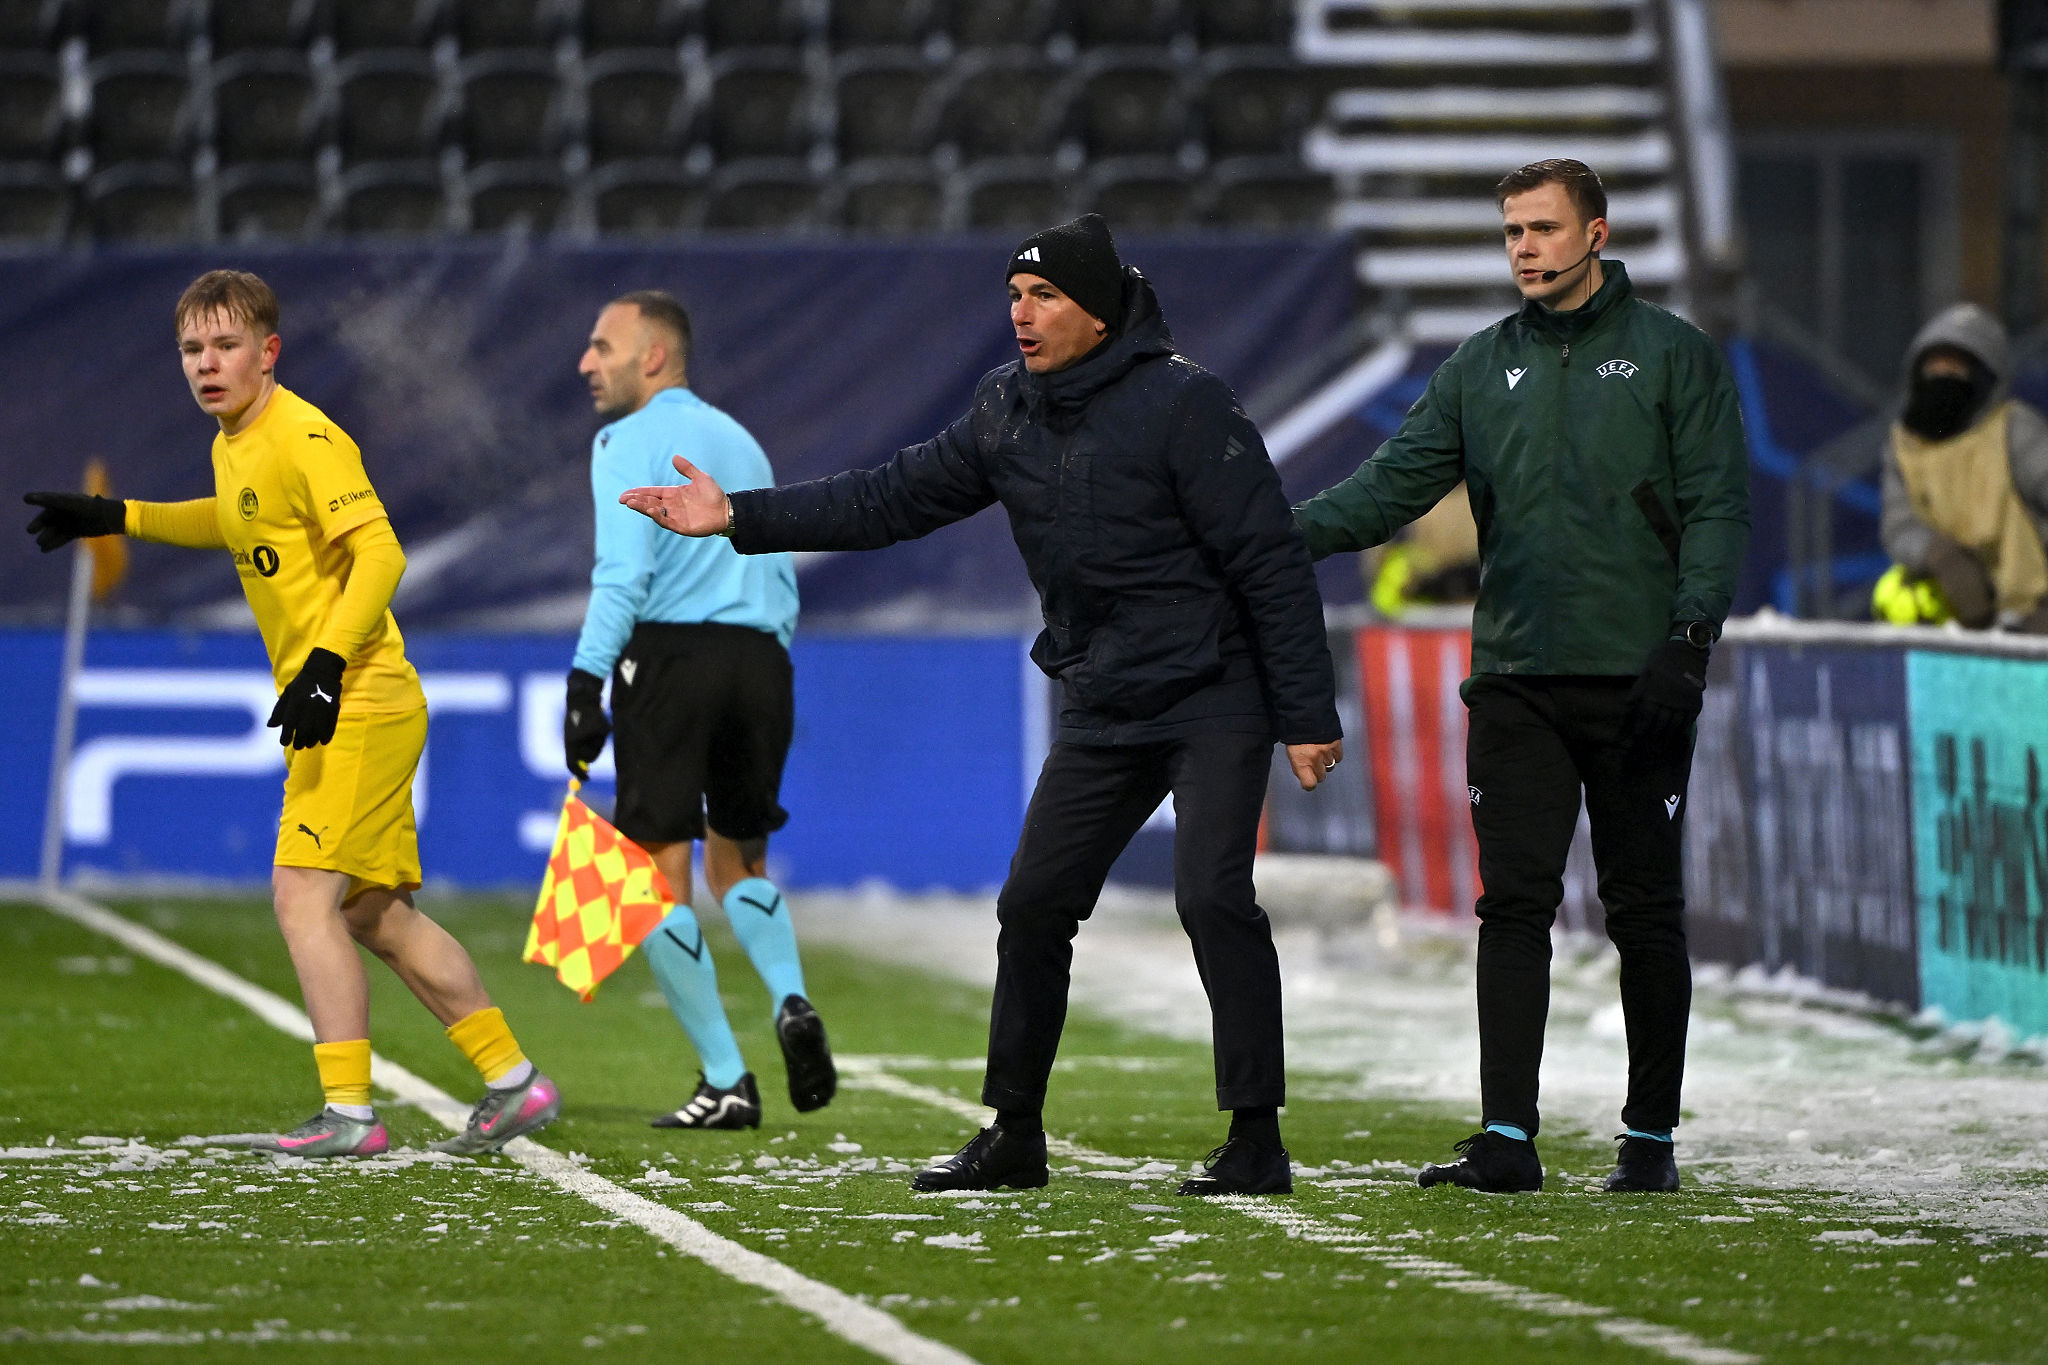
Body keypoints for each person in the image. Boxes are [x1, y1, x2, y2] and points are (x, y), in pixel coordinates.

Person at [617, 214, 1342, 1197]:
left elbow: (1269, 560)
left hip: (1214, 689)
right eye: (1013, 296)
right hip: (1103, 697)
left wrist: (1305, 712)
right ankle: (1013, 1134)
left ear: (1098, 312)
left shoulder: (1187, 402)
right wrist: (739, 515)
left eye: (1044, 296)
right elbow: (885, 498)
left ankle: (1255, 1137)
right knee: (1032, 904)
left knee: (1211, 897)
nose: (1021, 314)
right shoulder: (1006, 408)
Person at [22, 269, 559, 1158]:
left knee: (301, 893)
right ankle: (514, 1081)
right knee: (374, 915)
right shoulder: (236, 440)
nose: (206, 363)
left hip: (357, 696)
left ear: (269, 351)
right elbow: (237, 520)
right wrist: (117, 515)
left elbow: (382, 553)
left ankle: (350, 1113)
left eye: (226, 345)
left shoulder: (306, 435)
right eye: (192, 349)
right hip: (345, 699)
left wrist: (324, 665)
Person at [1292, 160, 1750, 1194]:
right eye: (1511, 232)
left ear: (1596, 234)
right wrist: (1270, 535)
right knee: (1511, 909)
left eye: (1542, 228)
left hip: (1638, 677)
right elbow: (1385, 491)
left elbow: (1719, 507)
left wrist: (1688, 640)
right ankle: (1506, 1138)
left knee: (1643, 912)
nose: (1524, 248)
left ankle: (1649, 1142)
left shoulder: (1674, 354)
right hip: (1513, 680)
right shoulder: (1477, 366)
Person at [565, 288, 834, 1131]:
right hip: (762, 660)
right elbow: (779, 565)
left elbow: (624, 573)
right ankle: (790, 997)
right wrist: (764, 653)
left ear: (653, 355)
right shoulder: (742, 440)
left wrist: (585, 679)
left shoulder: (624, 441)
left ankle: (726, 1078)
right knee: (739, 864)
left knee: (653, 877)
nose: (586, 363)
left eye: (603, 346)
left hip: (670, 659)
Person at [1874, 303, 2048, 633]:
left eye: (1956, 368)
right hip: (1955, 616)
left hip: (2032, 609)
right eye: (1934, 367)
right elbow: (1898, 524)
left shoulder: (2013, 431)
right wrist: (1939, 555)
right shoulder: (1905, 446)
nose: (1943, 378)